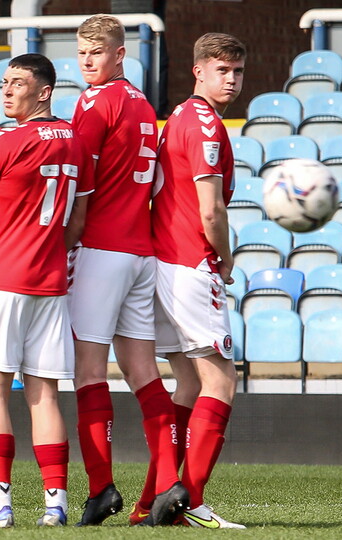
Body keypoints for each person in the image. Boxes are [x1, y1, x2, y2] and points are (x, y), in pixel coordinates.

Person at [0, 53, 92, 528]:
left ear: (45, 91)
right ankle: (55, 506)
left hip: (0, 282)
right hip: (51, 283)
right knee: (45, 395)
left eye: (18, 83)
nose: (7, 90)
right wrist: (47, 248)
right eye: (5, 82)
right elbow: (78, 219)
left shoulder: (3, 139)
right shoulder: (76, 141)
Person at [67, 14, 187, 527]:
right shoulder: (141, 103)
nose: (88, 62)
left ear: (120, 54)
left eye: (97, 53)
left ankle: (101, 490)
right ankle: (166, 485)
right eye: (82, 54)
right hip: (141, 252)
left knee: (88, 372)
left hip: (102, 249)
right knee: (143, 372)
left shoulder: (95, 102)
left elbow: (77, 176)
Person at [151, 32, 247, 529]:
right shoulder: (208, 126)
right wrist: (225, 258)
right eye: (222, 70)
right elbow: (211, 210)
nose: (230, 79)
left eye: (237, 71)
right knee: (221, 380)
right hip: (191, 262)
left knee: (187, 382)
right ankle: (192, 500)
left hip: (162, 263)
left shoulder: (180, 118)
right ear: (198, 70)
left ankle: (156, 499)